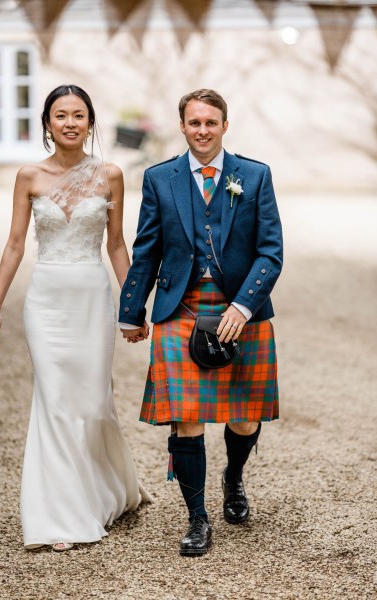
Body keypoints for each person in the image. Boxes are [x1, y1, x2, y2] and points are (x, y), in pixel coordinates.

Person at [0, 84, 151, 552]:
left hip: (93, 299)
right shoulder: (28, 176)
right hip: (46, 301)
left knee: (94, 402)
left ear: (90, 123)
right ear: (47, 123)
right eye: (61, 115)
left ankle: (112, 489)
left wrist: (132, 306)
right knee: (55, 401)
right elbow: (15, 244)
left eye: (79, 115)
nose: (71, 122)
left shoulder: (111, 175)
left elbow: (117, 245)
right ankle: (62, 513)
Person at [119, 89, 283, 556]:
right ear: (183, 126)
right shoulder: (159, 178)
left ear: (225, 125)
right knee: (186, 419)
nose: (203, 130)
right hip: (181, 307)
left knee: (245, 417)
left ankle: (233, 480)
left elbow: (271, 253)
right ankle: (197, 518)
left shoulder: (254, 175)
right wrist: (132, 311)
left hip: (241, 309)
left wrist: (242, 307)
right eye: (194, 123)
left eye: (211, 122)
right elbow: (147, 247)